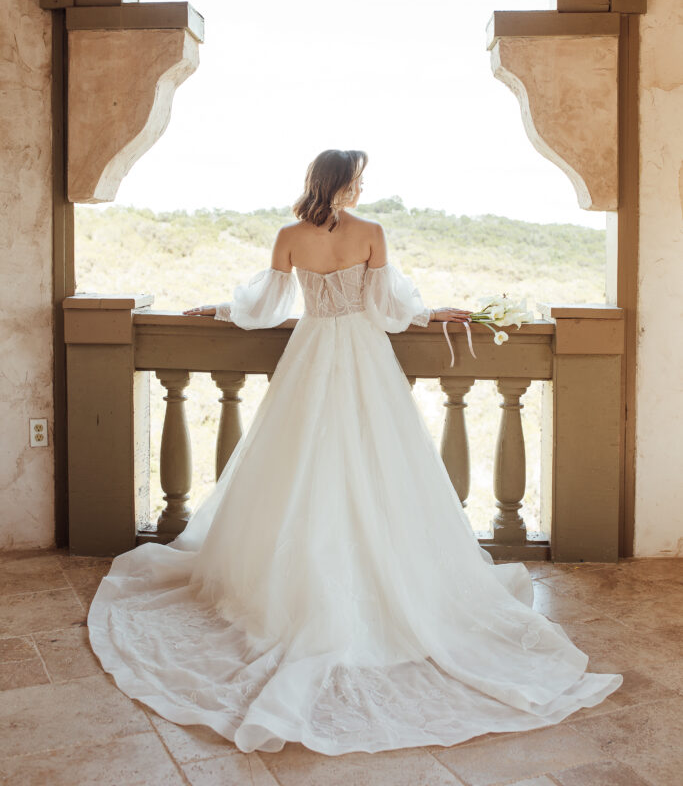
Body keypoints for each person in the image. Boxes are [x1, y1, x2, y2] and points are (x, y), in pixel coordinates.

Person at [88, 149, 622, 756]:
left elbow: (265, 308)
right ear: (342, 183)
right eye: (359, 177)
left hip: (313, 354)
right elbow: (390, 312)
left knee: (300, 468)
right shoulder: (372, 234)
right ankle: (373, 579)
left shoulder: (290, 236)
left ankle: (303, 581)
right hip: (365, 358)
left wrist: (219, 308)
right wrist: (429, 311)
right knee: (377, 466)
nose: (364, 186)